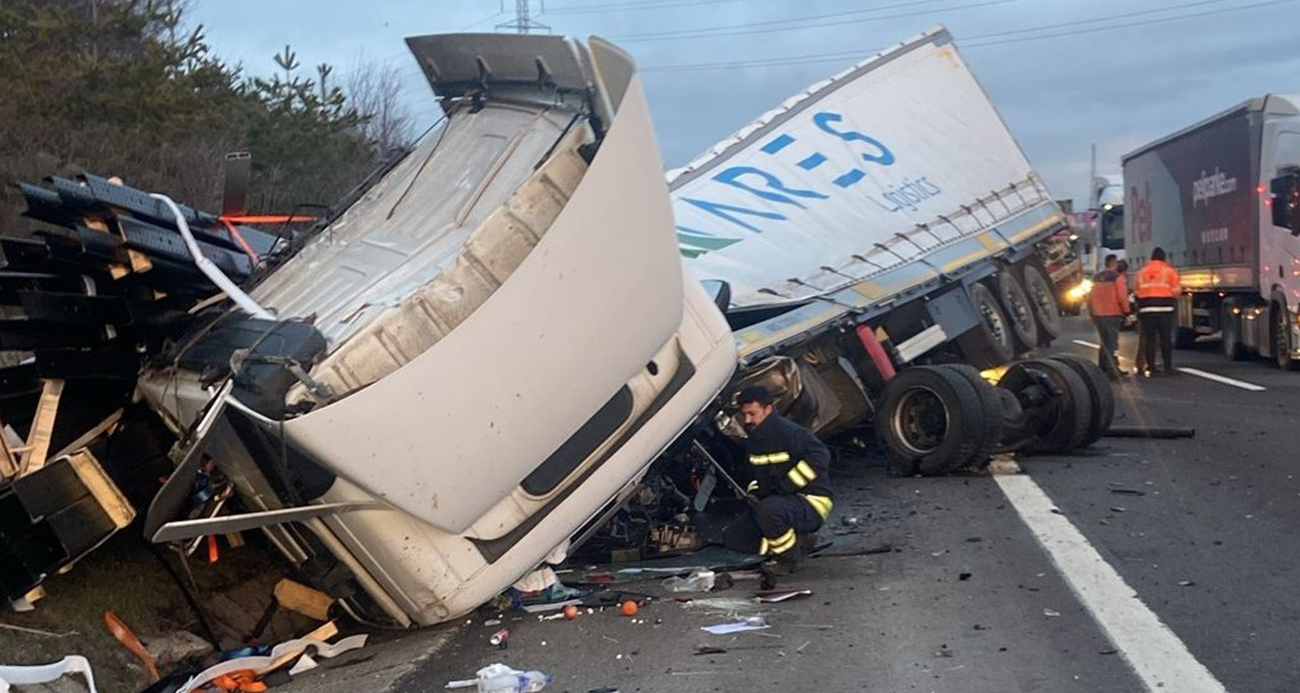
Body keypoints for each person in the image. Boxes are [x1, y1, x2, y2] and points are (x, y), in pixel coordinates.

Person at [726, 385, 833, 585]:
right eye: (744, 415)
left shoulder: (790, 433)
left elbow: (821, 457)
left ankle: (788, 558)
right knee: (735, 536)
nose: (748, 420)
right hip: (778, 503)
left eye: (752, 413)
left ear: (768, 408)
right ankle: (797, 543)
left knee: (769, 511)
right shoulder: (754, 442)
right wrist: (755, 493)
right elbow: (755, 476)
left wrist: (787, 486)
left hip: (811, 501)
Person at [1134, 247, 1180, 375]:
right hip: (1165, 309)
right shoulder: (1169, 271)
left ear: (1151, 258)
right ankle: (1168, 367)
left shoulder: (1141, 272)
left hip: (1147, 309)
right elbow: (1176, 292)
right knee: (1165, 339)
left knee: (1150, 339)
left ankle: (1151, 367)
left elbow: (1137, 292)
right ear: (1164, 258)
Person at [1088, 254, 1130, 378]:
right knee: (1112, 343)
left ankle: (1102, 367)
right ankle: (1112, 369)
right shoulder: (1117, 278)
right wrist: (1127, 311)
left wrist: (1091, 312)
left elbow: (1089, 297)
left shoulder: (1096, 277)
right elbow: (1122, 296)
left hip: (1098, 314)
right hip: (1112, 313)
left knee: (1104, 342)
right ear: (1114, 264)